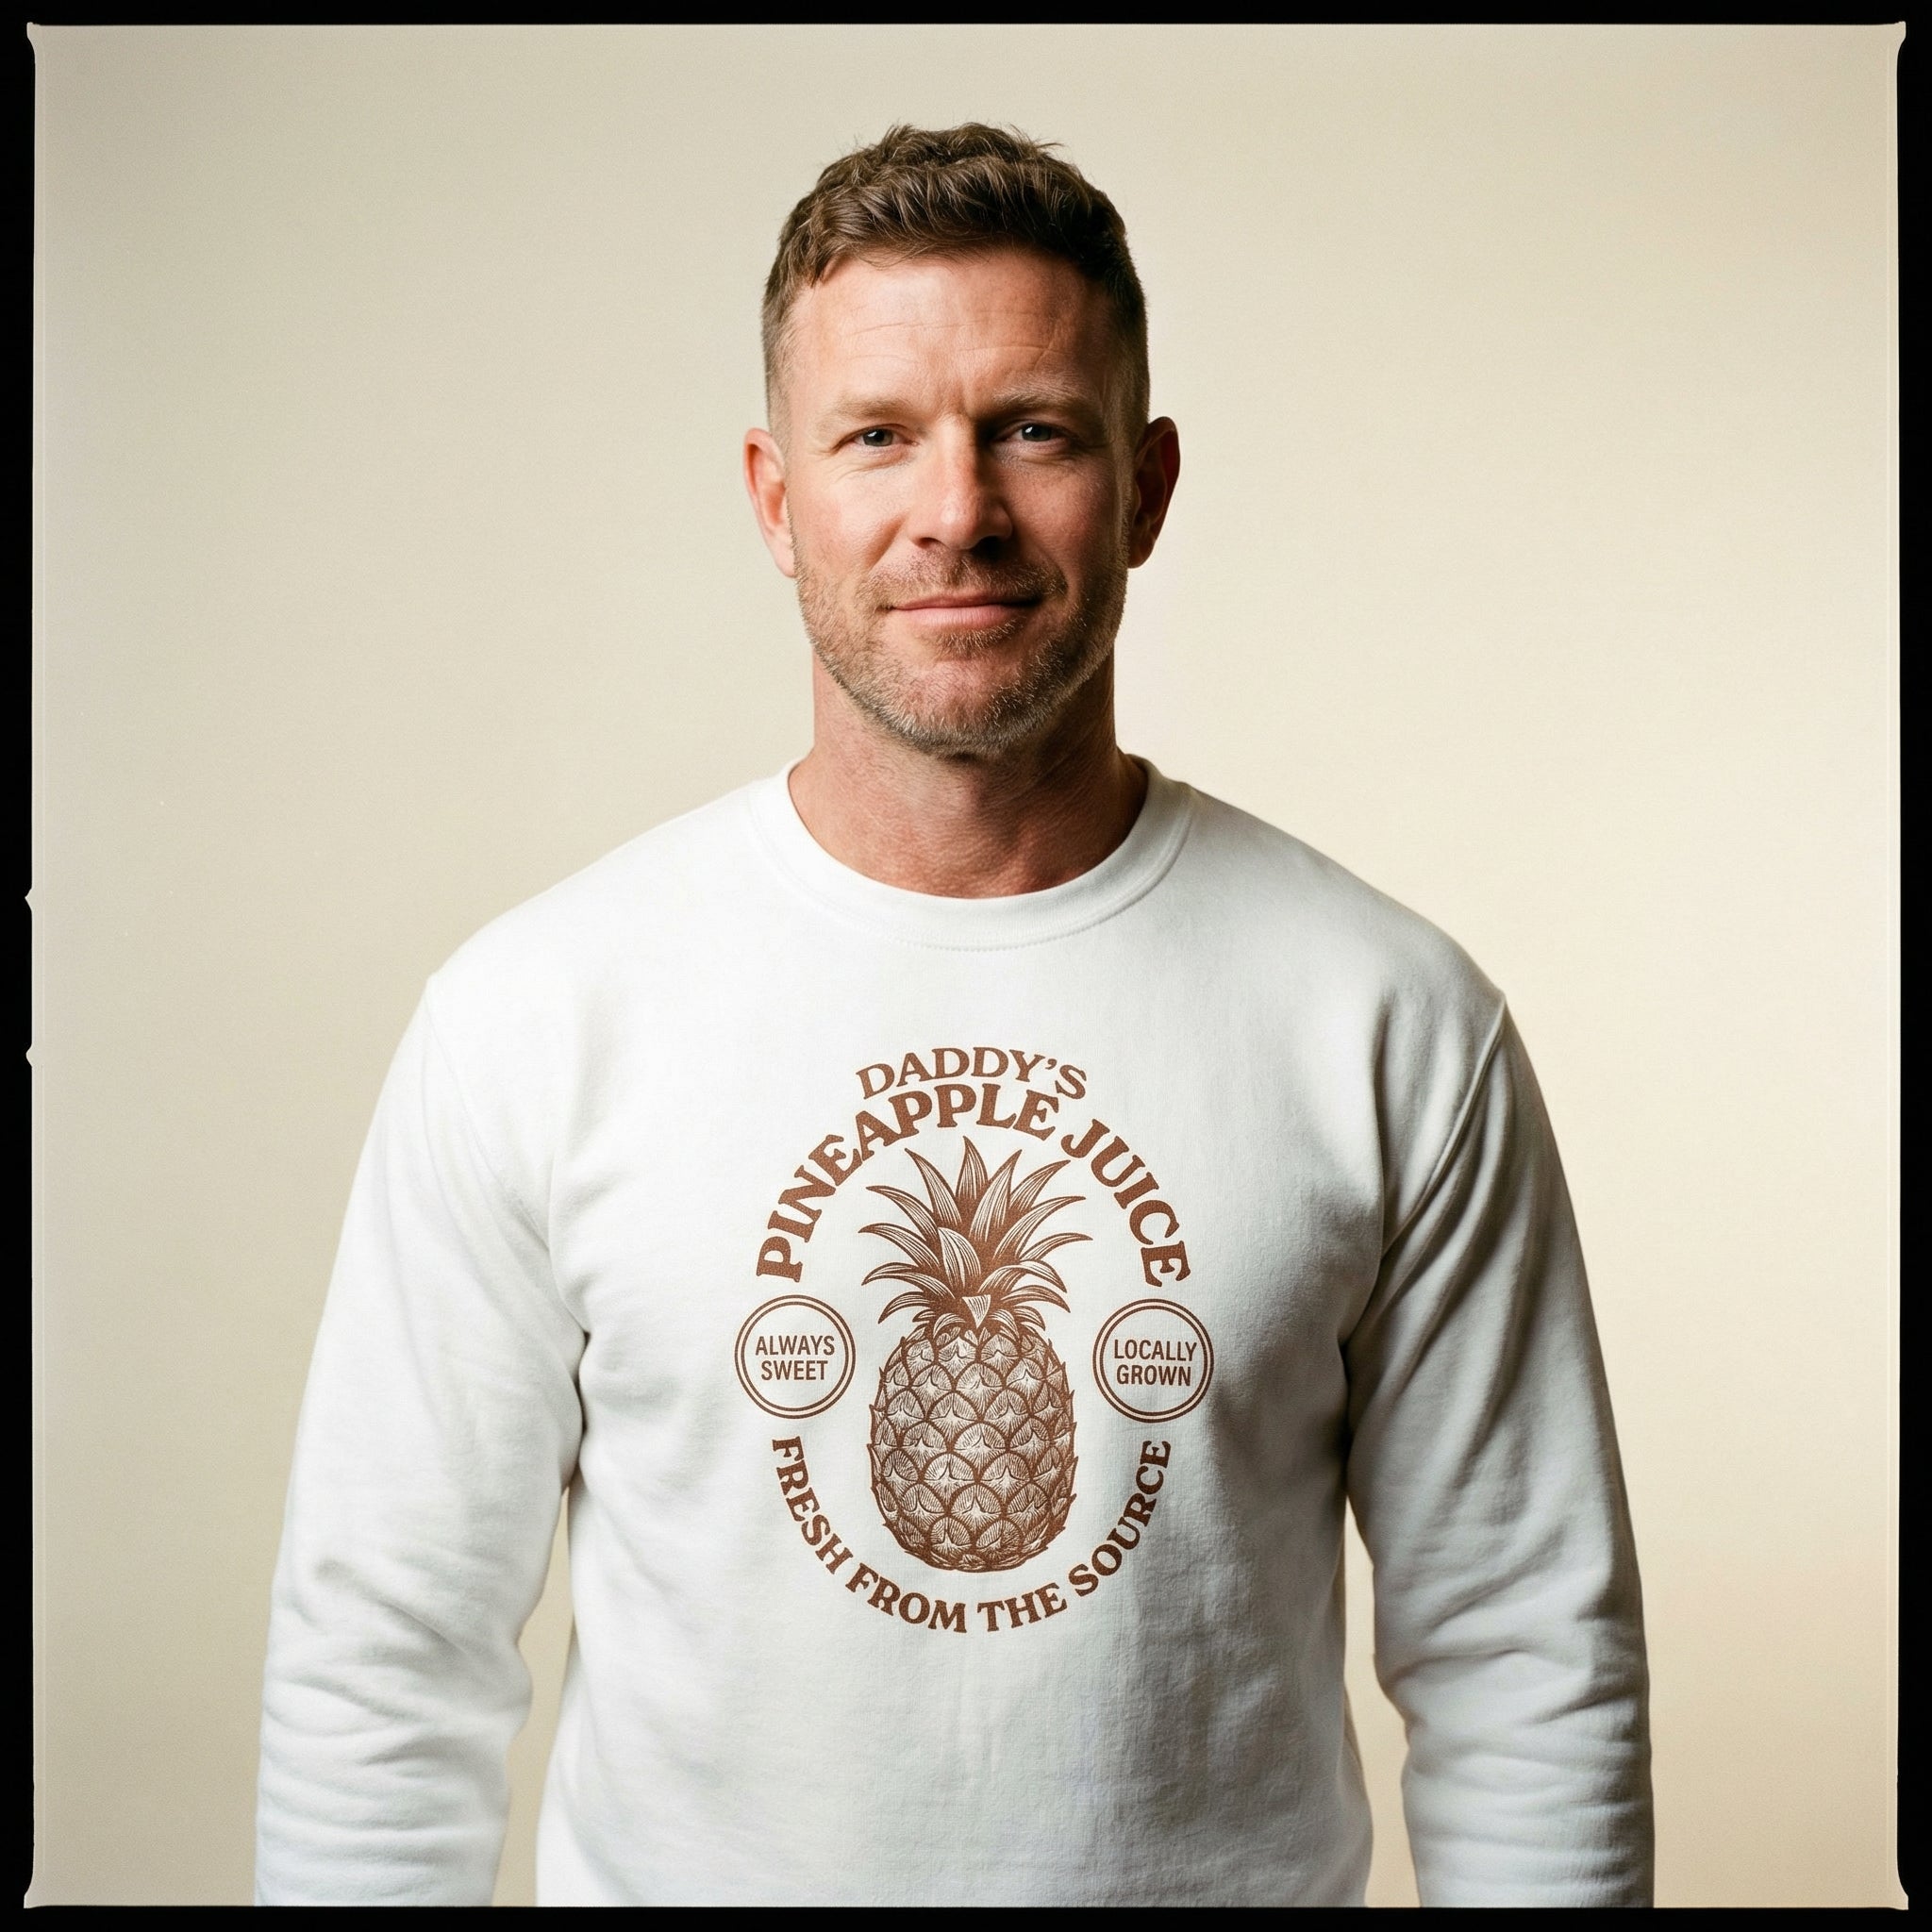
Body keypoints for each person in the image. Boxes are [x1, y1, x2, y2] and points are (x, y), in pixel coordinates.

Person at [255, 123, 1652, 1907]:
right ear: (778, 499)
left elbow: (1528, 1657)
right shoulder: (536, 1015)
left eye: (1034, 430)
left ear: (1144, 486)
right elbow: (384, 1658)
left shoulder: (1386, 1018)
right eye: (878, 437)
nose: (957, 511)